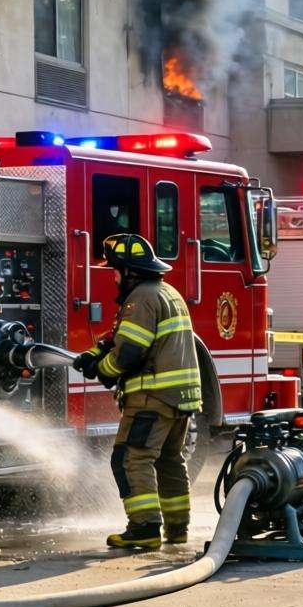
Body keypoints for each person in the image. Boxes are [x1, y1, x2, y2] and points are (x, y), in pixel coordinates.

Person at [72, 233, 201, 551]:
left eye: (115, 270)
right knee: (170, 460)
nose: (113, 277)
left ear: (129, 271)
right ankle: (176, 528)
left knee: (131, 457)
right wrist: (96, 351)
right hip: (179, 397)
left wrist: (103, 369)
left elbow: (130, 351)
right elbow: (123, 335)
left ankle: (143, 527)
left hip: (152, 397)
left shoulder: (141, 297)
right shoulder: (165, 292)